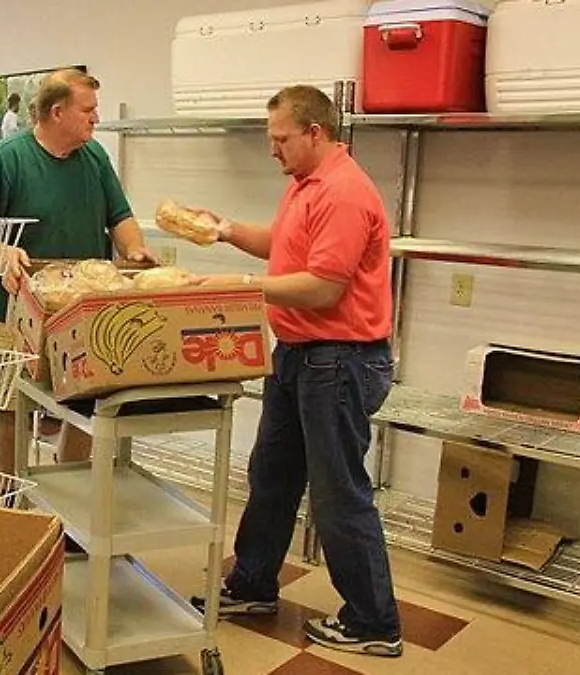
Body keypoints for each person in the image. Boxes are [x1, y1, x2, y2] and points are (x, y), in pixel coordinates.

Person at [181, 85, 402, 657]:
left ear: (314, 132)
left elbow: (324, 288)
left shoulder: (346, 192)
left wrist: (239, 290)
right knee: (272, 474)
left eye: (280, 139)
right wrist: (225, 230)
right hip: (299, 356)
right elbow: (284, 247)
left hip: (339, 360)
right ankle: (252, 584)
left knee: (338, 494)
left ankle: (374, 621)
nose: (272, 149)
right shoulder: (306, 187)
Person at [0, 68, 155, 476]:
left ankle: (72, 500)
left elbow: (120, 217)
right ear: (58, 112)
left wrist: (134, 249)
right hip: (11, 311)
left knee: (83, 402)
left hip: (79, 309)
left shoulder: (95, 157)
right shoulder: (6, 159)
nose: (96, 118)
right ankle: (13, 500)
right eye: (89, 109)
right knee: (13, 408)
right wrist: (2, 254)